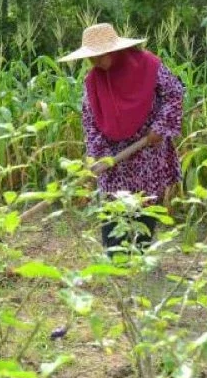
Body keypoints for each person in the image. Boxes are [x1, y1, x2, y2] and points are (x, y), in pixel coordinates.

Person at [58, 23, 184, 252]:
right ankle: (115, 257)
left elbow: (174, 93)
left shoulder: (149, 66)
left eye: (99, 55)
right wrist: (99, 154)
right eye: (91, 57)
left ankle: (141, 254)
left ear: (115, 51)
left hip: (147, 148)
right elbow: (90, 119)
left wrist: (160, 128)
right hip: (113, 154)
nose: (94, 61)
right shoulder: (93, 80)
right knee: (113, 203)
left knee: (146, 203)